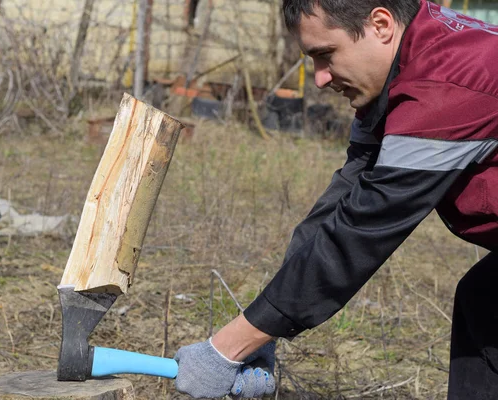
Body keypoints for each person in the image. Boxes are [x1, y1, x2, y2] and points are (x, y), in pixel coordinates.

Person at [173, 0, 498, 398]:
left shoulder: (447, 83)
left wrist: (226, 348)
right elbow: (340, 204)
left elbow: (362, 231)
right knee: (485, 301)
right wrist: (264, 329)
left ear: (380, 24)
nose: (320, 79)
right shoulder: (400, 69)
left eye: (326, 55)